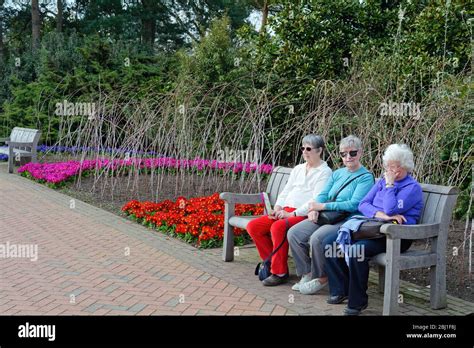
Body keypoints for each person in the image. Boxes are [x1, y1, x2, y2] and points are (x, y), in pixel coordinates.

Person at [323, 144, 423, 315]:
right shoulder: (382, 182)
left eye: (393, 166)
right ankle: (341, 290)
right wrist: (381, 215)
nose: (388, 171)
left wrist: (390, 187)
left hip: (397, 235)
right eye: (387, 166)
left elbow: (392, 210)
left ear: (403, 167)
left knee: (356, 251)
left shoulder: (412, 188)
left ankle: (357, 302)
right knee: (329, 243)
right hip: (373, 228)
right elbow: (363, 204)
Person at [288, 135, 374, 294]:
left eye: (352, 153)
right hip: (327, 215)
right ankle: (307, 273)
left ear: (360, 153)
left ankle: (321, 277)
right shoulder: (337, 173)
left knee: (317, 238)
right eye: (343, 154)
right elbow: (323, 194)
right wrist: (314, 209)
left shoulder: (366, 177)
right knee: (294, 233)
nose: (348, 157)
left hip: (346, 220)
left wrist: (323, 206)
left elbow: (354, 204)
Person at [246, 134, 332, 286]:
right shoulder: (298, 169)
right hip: (284, 210)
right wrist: (277, 207)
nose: (305, 152)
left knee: (278, 227)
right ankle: (271, 262)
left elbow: (316, 200)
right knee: (253, 226)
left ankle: (279, 272)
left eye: (309, 149)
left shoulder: (325, 172)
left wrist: (292, 213)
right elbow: (286, 190)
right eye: (303, 148)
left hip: (303, 214)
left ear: (319, 151)